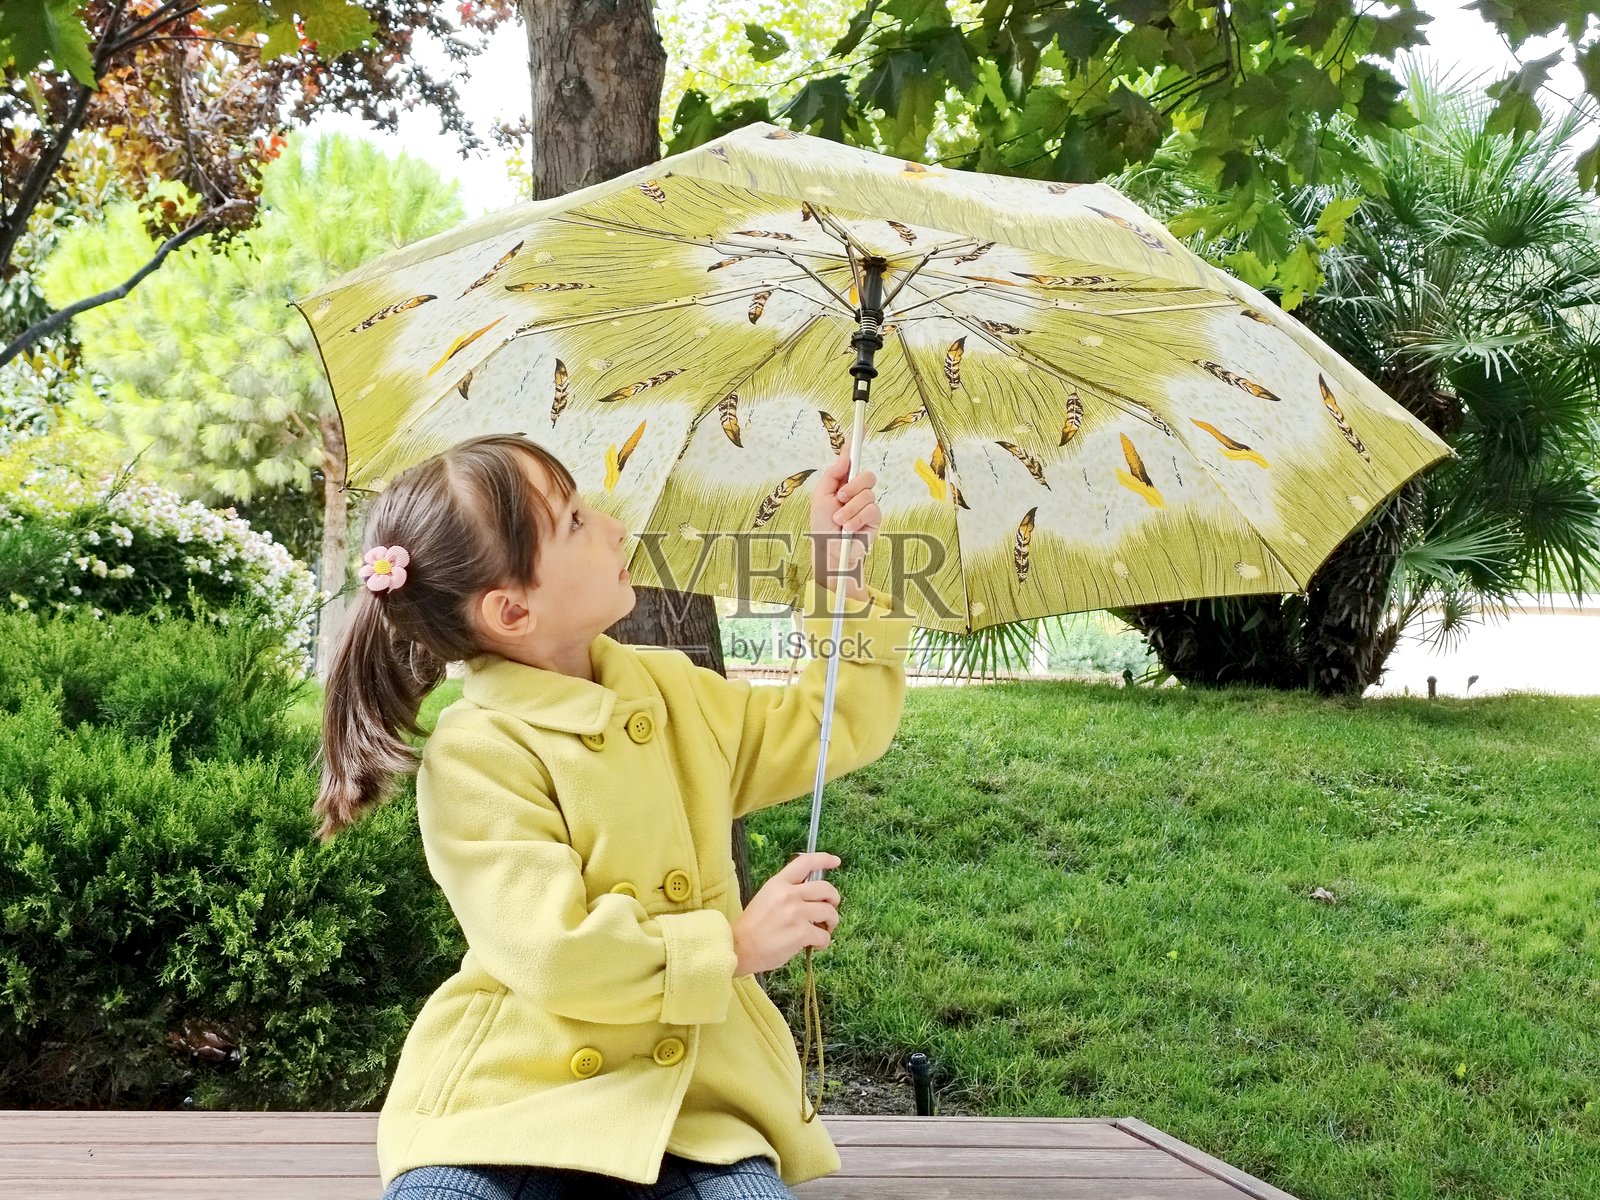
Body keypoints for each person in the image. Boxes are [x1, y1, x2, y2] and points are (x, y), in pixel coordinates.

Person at [316, 433, 914, 1199]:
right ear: (510, 609)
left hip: (696, 1108)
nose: (614, 528)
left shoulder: (674, 691)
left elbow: (831, 727)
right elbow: (553, 950)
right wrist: (733, 945)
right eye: (572, 522)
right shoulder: (478, 750)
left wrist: (840, 575)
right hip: (511, 1102)